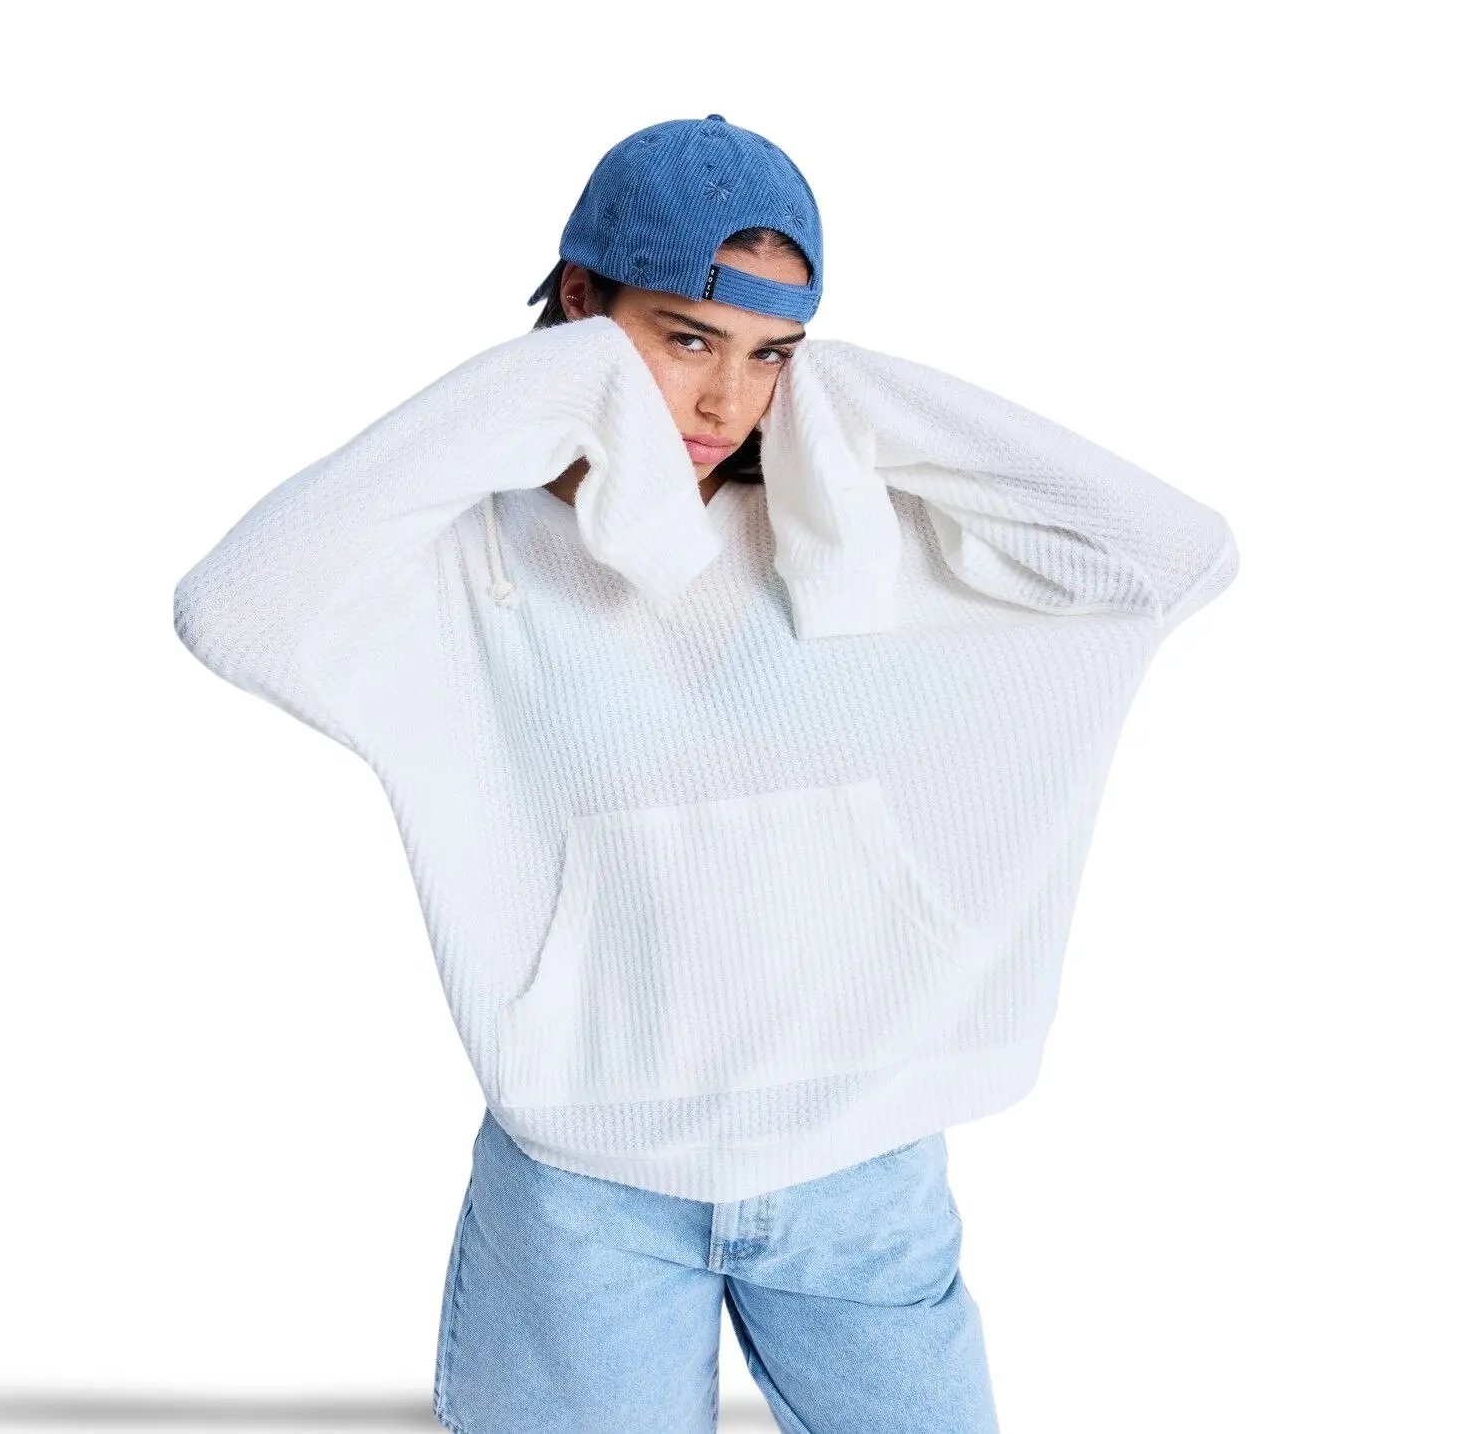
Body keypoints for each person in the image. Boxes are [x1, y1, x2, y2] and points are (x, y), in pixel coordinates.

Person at [173, 114, 1238, 1433]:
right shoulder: (462, 558)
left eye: (772, 355)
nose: (727, 402)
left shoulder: (856, 531)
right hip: (586, 1182)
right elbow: (233, 611)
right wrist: (546, 394)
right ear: (581, 305)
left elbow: (1174, 558)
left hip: (860, 1163)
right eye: (686, 340)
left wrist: (854, 400)